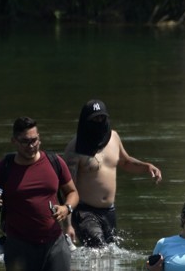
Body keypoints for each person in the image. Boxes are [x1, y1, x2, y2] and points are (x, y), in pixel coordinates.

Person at [0, 116, 80, 271]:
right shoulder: (2, 168)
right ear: (14, 141)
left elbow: (72, 193)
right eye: (25, 141)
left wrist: (66, 208)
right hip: (20, 248)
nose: (31, 146)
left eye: (34, 140)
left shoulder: (55, 162)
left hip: (54, 245)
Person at [63, 99, 162, 248]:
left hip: (109, 211)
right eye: (94, 119)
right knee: (98, 248)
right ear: (85, 122)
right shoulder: (75, 149)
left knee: (110, 256)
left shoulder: (114, 137)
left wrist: (147, 167)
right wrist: (68, 225)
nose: (99, 122)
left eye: (102, 118)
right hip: (85, 211)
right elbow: (67, 190)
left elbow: (125, 162)